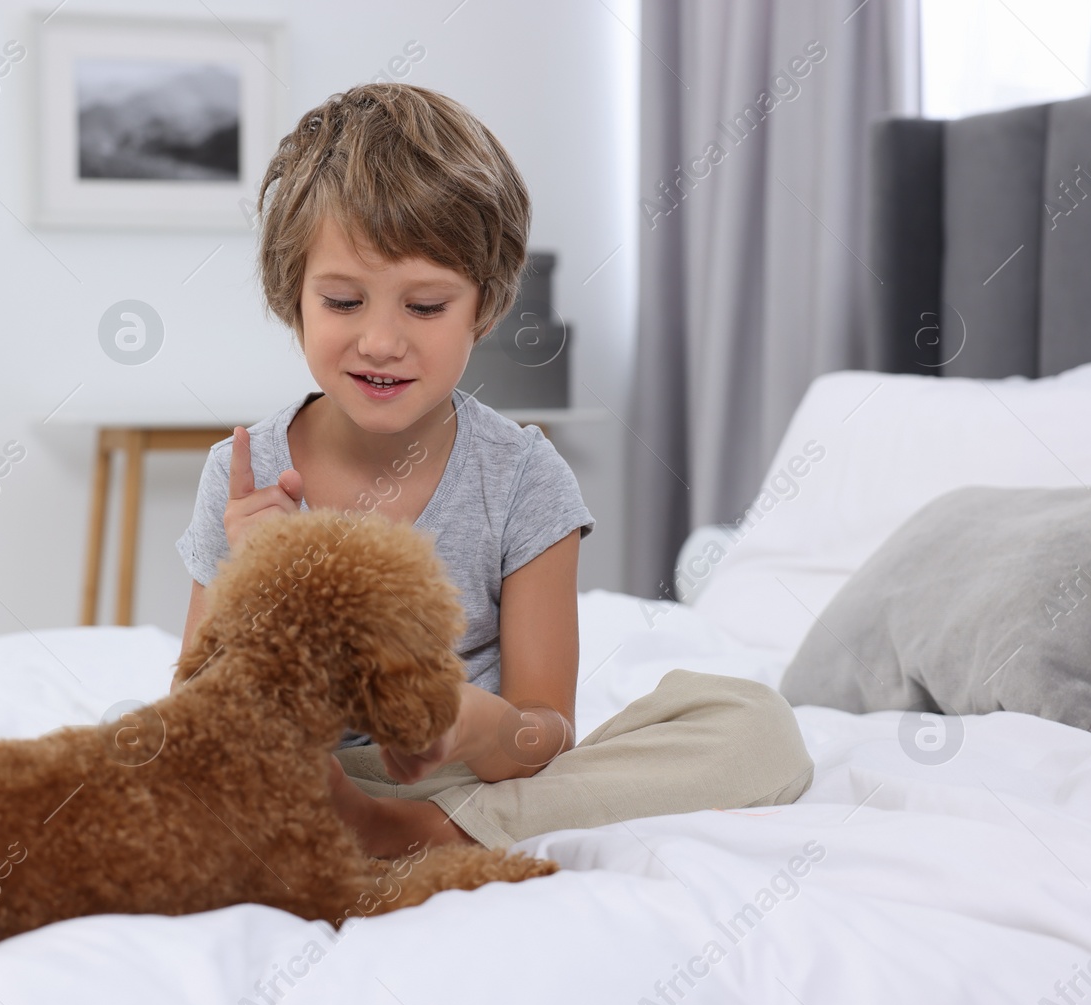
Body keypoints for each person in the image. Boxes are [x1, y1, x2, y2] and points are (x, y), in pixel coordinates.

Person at [174, 83, 813, 859]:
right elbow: (195, 723)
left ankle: (423, 833)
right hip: (307, 778)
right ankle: (382, 828)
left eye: (426, 307)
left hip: (469, 780)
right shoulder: (244, 475)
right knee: (141, 762)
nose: (380, 340)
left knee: (756, 724)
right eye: (343, 301)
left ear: (482, 305)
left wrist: (477, 723)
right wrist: (258, 584)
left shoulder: (524, 478)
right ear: (294, 297)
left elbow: (543, 735)